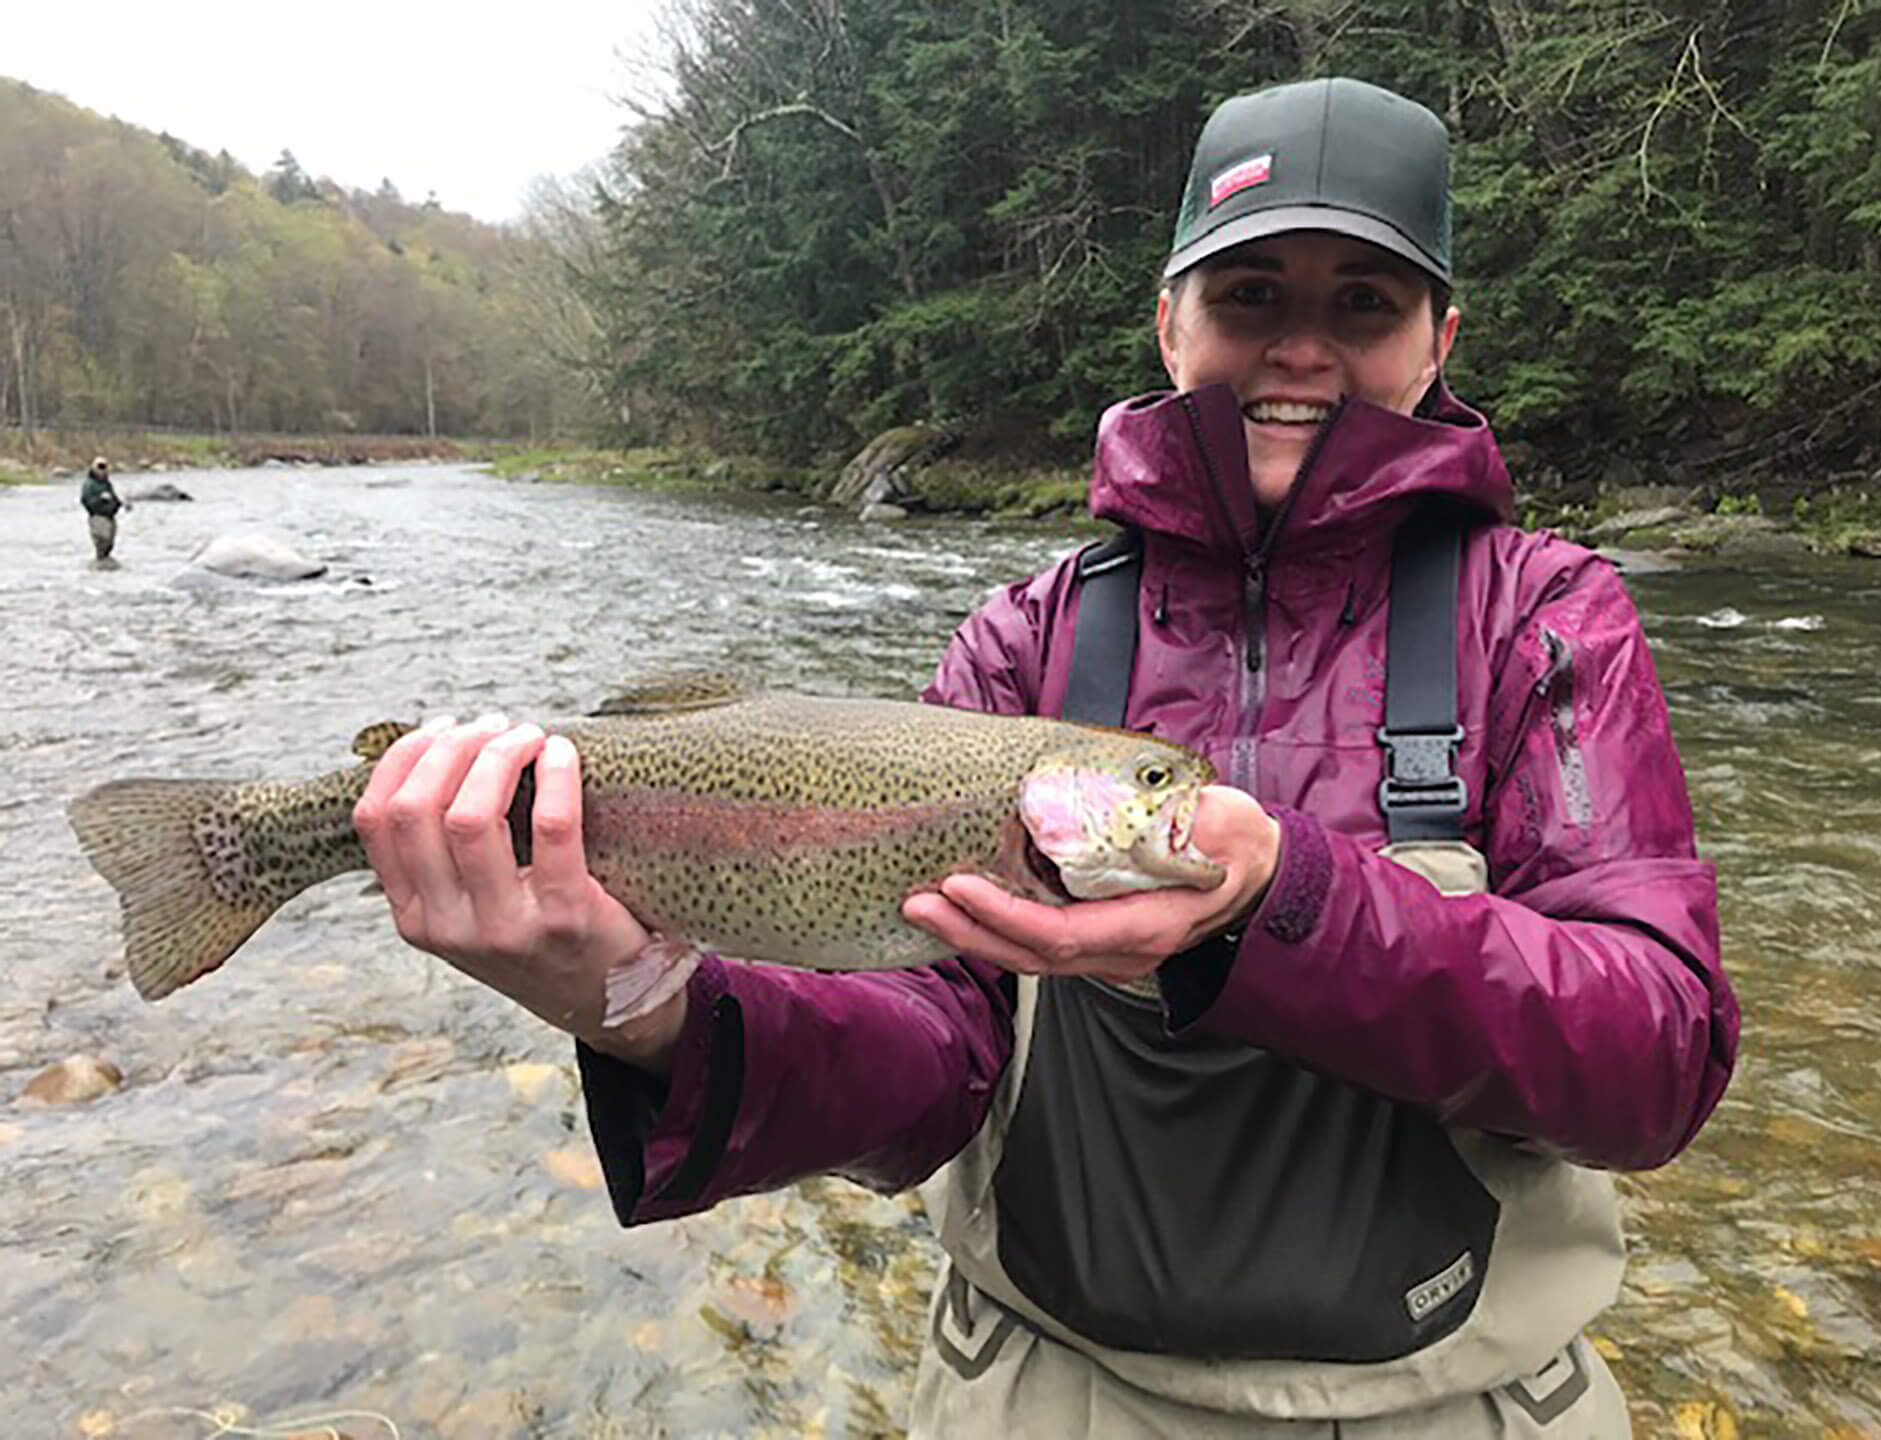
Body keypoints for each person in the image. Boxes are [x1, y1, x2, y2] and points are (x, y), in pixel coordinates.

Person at [353, 76, 1737, 1437]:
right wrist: (648, 1012)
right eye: (1251, 295)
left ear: (1440, 338)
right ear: (1167, 321)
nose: (1300, 348)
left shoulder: (1543, 620)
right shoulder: (1029, 640)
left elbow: (1653, 1060)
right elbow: (931, 1074)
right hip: (1044, 1392)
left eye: (1360, 304)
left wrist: (1283, 904)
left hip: (1454, 1404)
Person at [80, 455, 125, 561]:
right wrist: (101, 500)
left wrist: (119, 504)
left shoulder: (107, 484)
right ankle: (100, 567)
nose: (102, 470)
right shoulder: (89, 484)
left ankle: (105, 567)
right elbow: (86, 501)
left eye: (104, 467)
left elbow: (114, 498)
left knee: (109, 546)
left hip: (110, 518)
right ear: (93, 468)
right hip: (98, 518)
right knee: (102, 544)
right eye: (100, 467)